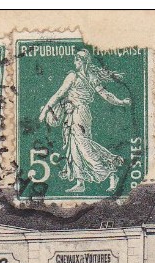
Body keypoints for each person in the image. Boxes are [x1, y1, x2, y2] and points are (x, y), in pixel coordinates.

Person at [38, 49, 131, 193]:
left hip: (80, 113)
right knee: (74, 146)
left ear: (82, 61)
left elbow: (58, 94)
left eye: (76, 60)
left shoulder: (74, 76)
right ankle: (80, 182)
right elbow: (105, 94)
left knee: (83, 145)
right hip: (74, 113)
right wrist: (121, 102)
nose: (74, 62)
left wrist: (44, 111)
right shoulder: (89, 76)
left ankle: (110, 172)